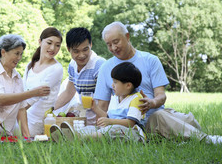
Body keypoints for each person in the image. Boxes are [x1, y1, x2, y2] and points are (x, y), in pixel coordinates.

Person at [93, 21, 222, 144]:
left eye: (116, 42)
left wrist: (152, 102)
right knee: (162, 117)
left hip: (155, 115)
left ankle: (180, 137)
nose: (113, 48)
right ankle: (207, 140)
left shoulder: (151, 60)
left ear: (127, 37)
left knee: (187, 120)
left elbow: (161, 95)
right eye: (109, 44)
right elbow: (103, 106)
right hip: (134, 126)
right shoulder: (105, 67)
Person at [50, 62, 146, 142]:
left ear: (128, 85)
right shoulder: (115, 98)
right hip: (112, 130)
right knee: (91, 128)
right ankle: (68, 137)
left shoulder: (136, 99)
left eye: (115, 82)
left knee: (113, 129)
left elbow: (131, 123)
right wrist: (95, 108)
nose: (112, 85)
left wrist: (109, 122)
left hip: (133, 135)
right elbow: (108, 117)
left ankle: (78, 139)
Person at [18, 27, 64, 137]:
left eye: (57, 45)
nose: (53, 48)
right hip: (21, 116)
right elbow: (22, 91)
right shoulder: (30, 65)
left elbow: (34, 97)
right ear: (40, 42)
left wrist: (18, 111)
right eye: (49, 43)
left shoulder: (56, 69)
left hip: (36, 123)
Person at [53, 27, 105, 125]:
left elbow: (104, 100)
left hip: (101, 120)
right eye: (76, 51)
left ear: (91, 45)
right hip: (84, 119)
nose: (81, 55)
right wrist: (51, 109)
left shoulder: (100, 65)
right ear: (68, 49)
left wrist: (99, 127)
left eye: (85, 50)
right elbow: (69, 92)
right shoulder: (72, 64)